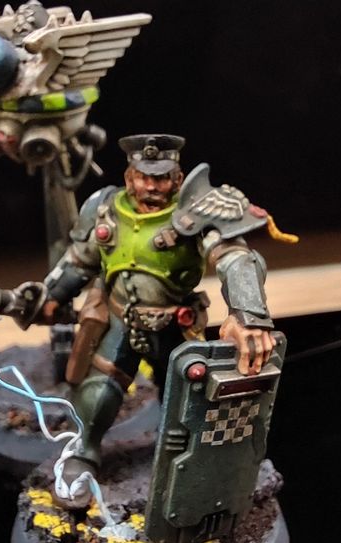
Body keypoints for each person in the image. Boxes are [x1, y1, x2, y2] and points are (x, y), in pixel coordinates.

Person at [28, 134, 277, 507]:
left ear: (178, 179)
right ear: (129, 177)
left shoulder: (196, 213)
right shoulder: (106, 208)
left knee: (188, 397)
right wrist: (51, 297)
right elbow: (80, 261)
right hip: (120, 322)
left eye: (161, 178)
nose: (152, 186)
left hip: (176, 325)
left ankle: (188, 464)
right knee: (99, 392)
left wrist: (248, 315)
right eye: (144, 177)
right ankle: (83, 453)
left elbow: (235, 258)